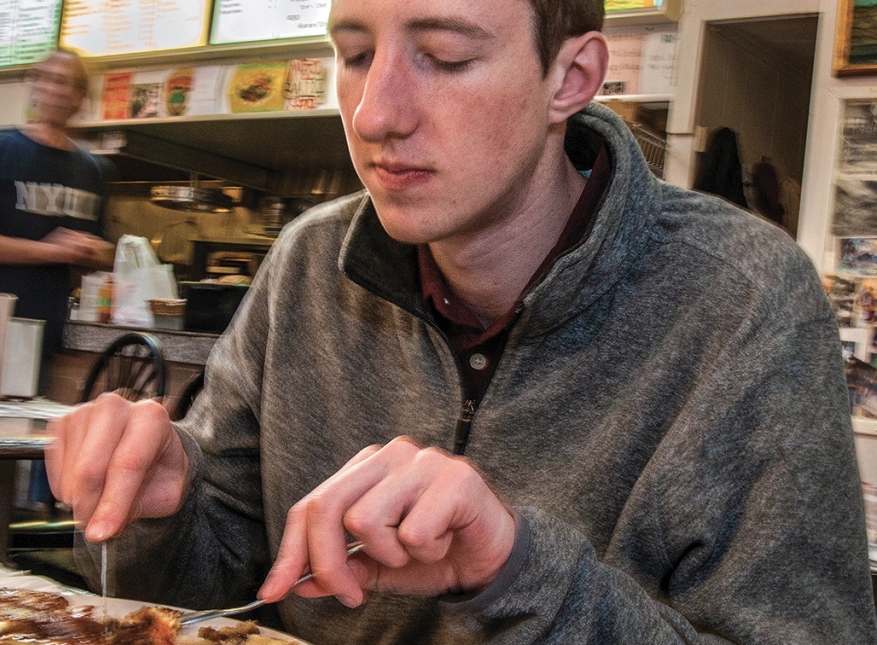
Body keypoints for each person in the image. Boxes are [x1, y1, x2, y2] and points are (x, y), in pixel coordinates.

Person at [46, 0, 877, 642]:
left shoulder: (746, 302)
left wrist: (514, 570)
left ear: (571, 78)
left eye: (445, 57)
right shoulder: (307, 263)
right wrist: (162, 509)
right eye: (355, 54)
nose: (374, 115)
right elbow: (209, 591)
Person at [0, 48, 114, 500]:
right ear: (34, 85)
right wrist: (49, 250)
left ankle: (9, 539)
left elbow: (95, 250)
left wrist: (93, 252)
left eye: (69, 84)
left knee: (29, 440)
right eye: (48, 79)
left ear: (81, 97)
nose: (57, 90)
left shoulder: (93, 170)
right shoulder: (1, 149)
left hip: (44, 325)